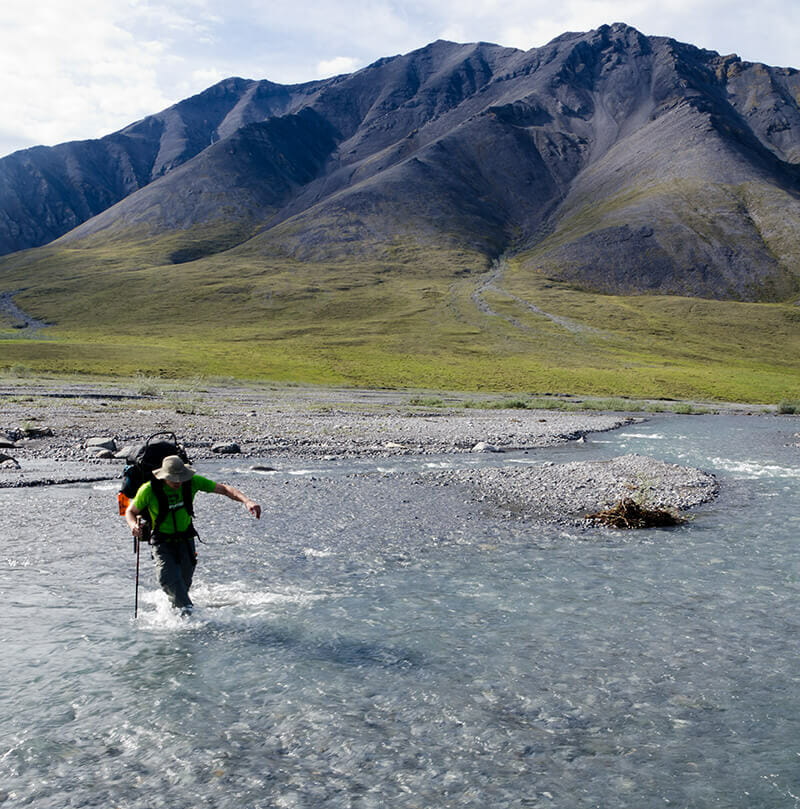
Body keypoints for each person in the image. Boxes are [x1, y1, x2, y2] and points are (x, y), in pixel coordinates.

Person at [125, 455, 261, 616]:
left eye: (180, 478)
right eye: (173, 479)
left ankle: (178, 613)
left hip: (186, 541)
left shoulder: (192, 482)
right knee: (168, 579)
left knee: (183, 584)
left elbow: (224, 489)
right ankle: (191, 618)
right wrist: (133, 525)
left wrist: (247, 501)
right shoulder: (148, 490)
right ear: (163, 476)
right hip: (162, 543)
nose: (177, 482)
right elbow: (130, 511)